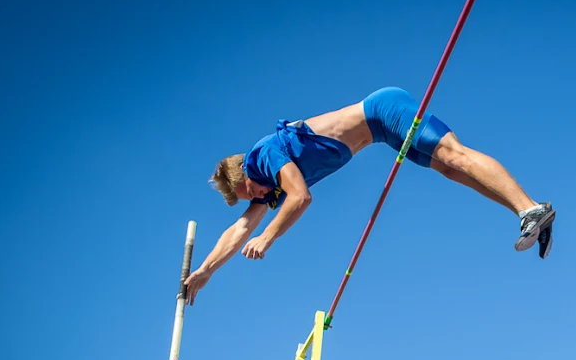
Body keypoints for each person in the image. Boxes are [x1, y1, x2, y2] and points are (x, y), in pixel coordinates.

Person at [183, 86, 555, 305]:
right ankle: (529, 215)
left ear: (243, 173)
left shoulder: (264, 155)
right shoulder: (265, 182)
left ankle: (530, 209)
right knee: (450, 169)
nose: (257, 198)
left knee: (454, 154)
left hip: (383, 110)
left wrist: (268, 237)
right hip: (383, 133)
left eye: (249, 192)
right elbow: (240, 228)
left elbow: (300, 197)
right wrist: (205, 271)